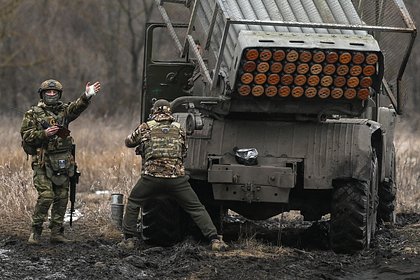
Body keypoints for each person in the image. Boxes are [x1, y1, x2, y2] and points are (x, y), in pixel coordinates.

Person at [119, 99, 228, 251]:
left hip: (151, 178)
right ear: (170, 112)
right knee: (196, 208)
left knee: (134, 201)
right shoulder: (179, 129)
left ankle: (128, 240)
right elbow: (184, 152)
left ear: (154, 112)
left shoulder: (145, 127)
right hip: (177, 179)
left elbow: (128, 142)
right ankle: (215, 240)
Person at [21, 79, 101, 244]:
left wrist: (87, 95)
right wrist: (44, 134)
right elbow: (26, 135)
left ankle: (56, 233)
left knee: (62, 196)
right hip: (43, 162)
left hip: (63, 162)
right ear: (42, 94)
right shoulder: (33, 113)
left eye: (54, 92)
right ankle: (35, 233)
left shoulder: (64, 111)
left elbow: (77, 107)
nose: (51, 94)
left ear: (59, 94)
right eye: (48, 92)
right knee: (46, 196)